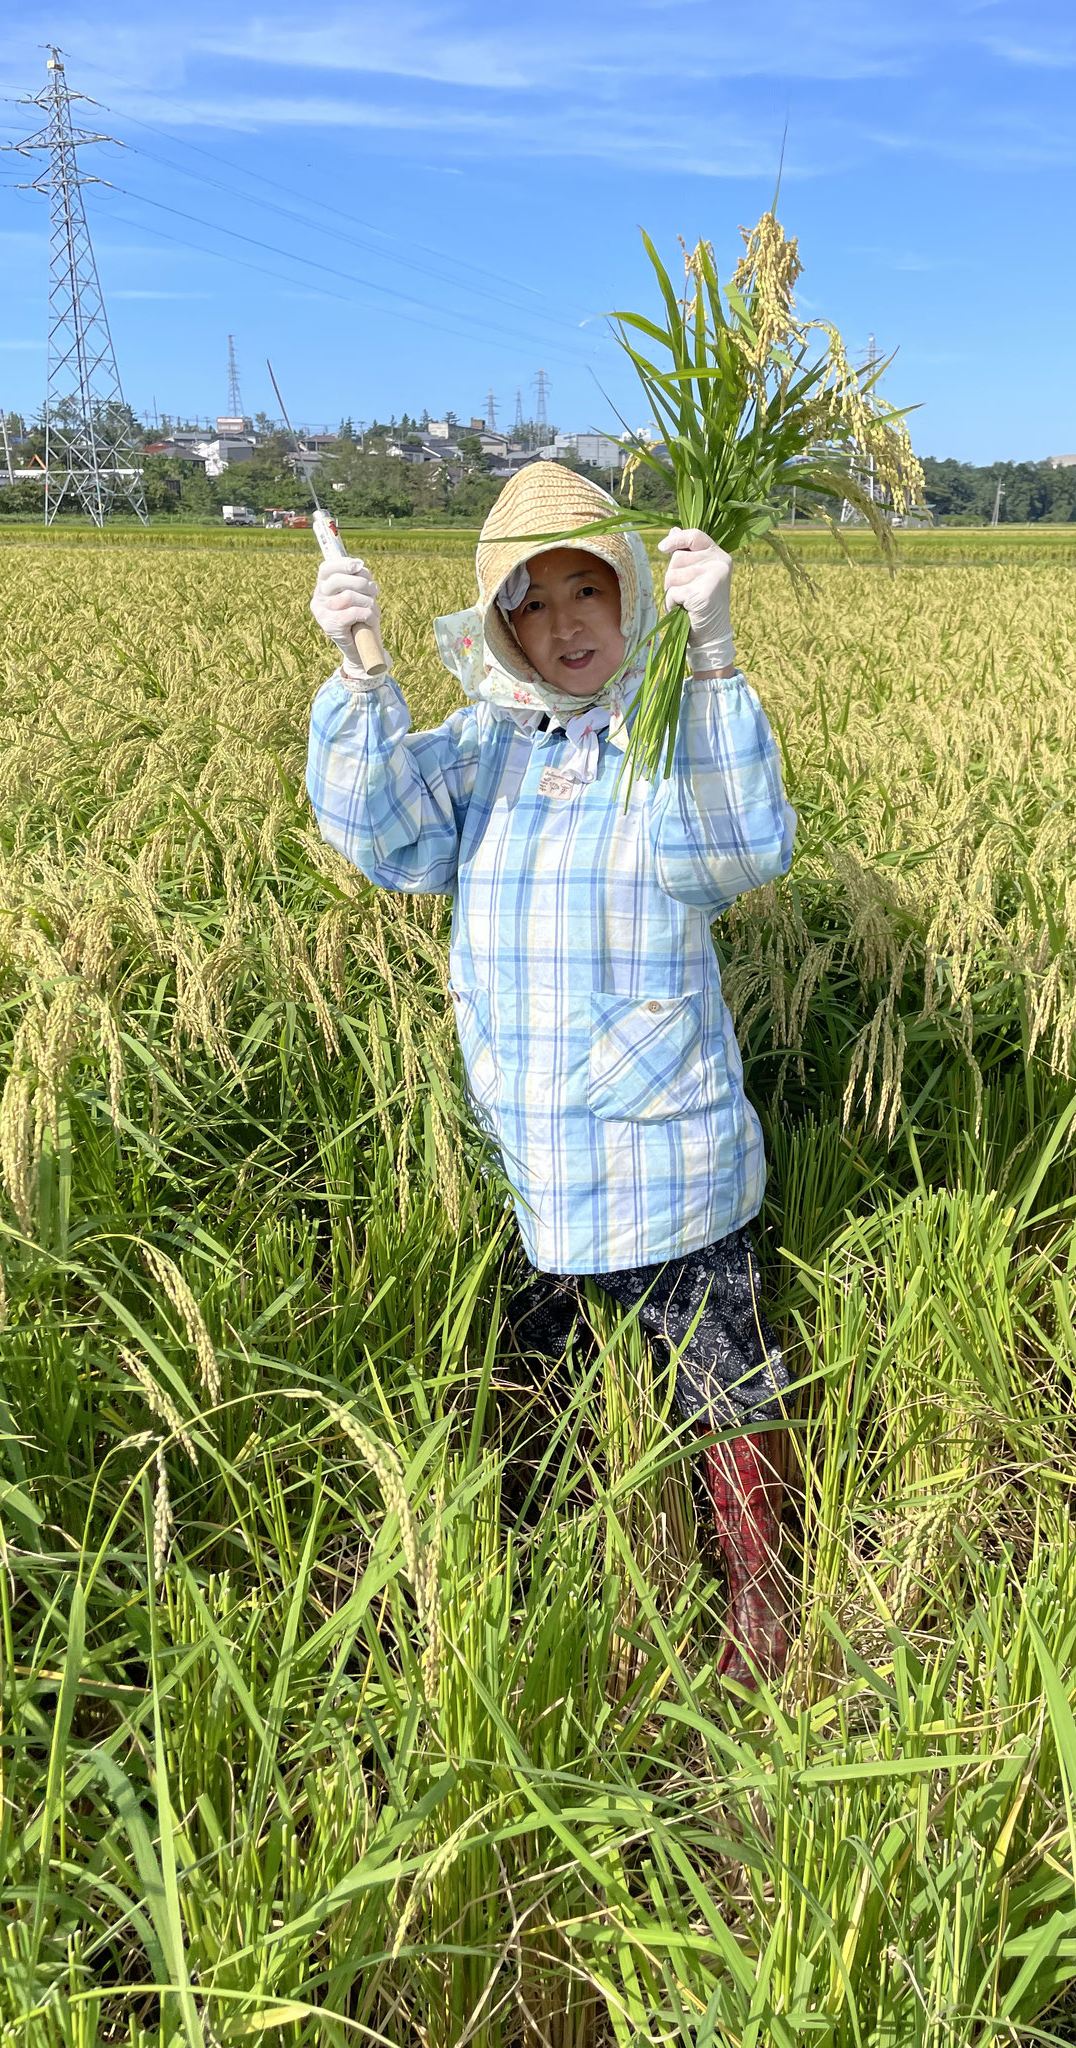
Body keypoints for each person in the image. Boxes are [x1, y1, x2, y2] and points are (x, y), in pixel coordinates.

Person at [304, 463, 797, 1682]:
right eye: (535, 601)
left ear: (633, 602)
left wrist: (719, 647)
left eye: (592, 590)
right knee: (570, 1386)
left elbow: (740, 849)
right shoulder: (483, 746)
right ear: (502, 629)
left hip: (669, 1145)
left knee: (720, 1386)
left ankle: (760, 1590)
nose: (569, 623)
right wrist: (362, 670)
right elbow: (383, 834)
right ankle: (619, 1571)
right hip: (539, 1147)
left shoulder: (667, 734)